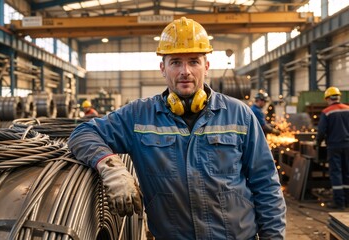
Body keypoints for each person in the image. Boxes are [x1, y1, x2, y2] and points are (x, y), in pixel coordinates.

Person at [68, 17, 286, 239]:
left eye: (193, 61)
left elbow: (266, 184)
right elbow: (82, 133)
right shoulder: (139, 115)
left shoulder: (239, 114)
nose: (185, 71)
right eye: (175, 62)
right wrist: (111, 168)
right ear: (163, 68)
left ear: (206, 66)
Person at [317, 86, 349, 210]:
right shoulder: (348, 109)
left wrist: (317, 143)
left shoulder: (327, 112)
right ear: (338, 97)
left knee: (336, 173)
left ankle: (339, 202)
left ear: (328, 98)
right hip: (348, 146)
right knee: (347, 172)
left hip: (334, 146)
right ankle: (347, 200)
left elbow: (321, 131)